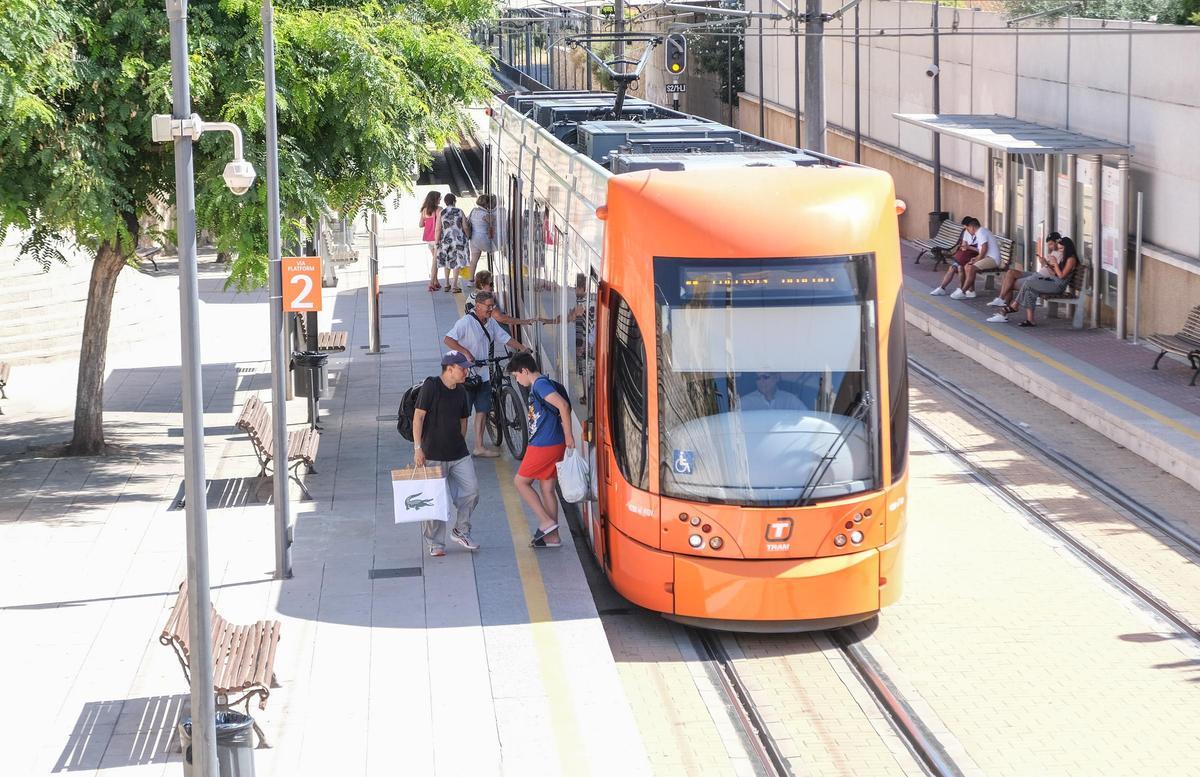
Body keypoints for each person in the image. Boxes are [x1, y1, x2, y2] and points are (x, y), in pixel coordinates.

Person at [443, 290, 532, 457]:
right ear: (478, 306)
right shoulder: (466, 322)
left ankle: (479, 447)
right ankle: (457, 450)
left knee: (482, 410)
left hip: (484, 374)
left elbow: (505, 338)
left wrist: (522, 348)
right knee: (463, 414)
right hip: (466, 376)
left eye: (493, 306)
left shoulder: (490, 323)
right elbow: (448, 339)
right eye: (488, 306)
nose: (491, 310)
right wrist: (465, 353)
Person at [412, 351, 480, 557]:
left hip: (459, 454)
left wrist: (459, 440)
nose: (466, 372)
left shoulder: (462, 391)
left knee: (472, 491)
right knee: (433, 500)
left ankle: (461, 530)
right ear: (449, 369)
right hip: (432, 455)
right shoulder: (431, 386)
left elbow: (463, 419)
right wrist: (418, 448)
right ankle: (435, 542)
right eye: (462, 368)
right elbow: (418, 417)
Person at [507, 352, 574, 548]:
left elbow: (562, 405)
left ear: (524, 370)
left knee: (520, 482)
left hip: (545, 444)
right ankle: (552, 537)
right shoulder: (542, 383)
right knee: (547, 489)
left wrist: (569, 435)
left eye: (516, 375)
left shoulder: (540, 385)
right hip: (553, 442)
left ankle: (546, 522)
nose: (517, 380)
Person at [989, 236, 1080, 327]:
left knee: (1029, 282)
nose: (1060, 251)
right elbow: (1056, 273)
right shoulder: (1065, 257)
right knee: (1030, 289)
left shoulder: (1071, 259)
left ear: (1068, 248)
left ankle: (1015, 305)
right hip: (1053, 281)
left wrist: (1055, 263)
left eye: (1062, 248)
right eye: (1059, 248)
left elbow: (1061, 276)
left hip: (1057, 285)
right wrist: (1048, 264)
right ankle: (1030, 320)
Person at [985, 233, 1061, 316]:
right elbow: (1047, 268)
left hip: (1042, 278)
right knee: (1010, 273)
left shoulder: (1061, 255)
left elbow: (1054, 274)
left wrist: (1046, 264)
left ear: (1057, 242)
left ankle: (1003, 312)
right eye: (1048, 244)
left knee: (1009, 283)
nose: (1049, 247)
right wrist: (1043, 263)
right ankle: (1001, 299)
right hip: (1038, 274)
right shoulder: (1054, 252)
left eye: (1051, 244)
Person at [929, 217, 1000, 299]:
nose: (967, 230)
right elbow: (982, 251)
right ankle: (970, 291)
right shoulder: (979, 232)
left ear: (972, 227)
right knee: (966, 266)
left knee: (970, 267)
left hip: (992, 259)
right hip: (986, 257)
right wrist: (976, 258)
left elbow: (984, 249)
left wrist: (976, 259)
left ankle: (963, 291)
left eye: (967, 228)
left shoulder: (981, 232)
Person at [466, 270, 537, 327]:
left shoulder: (473, 295)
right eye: (491, 284)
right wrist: (525, 321)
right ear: (482, 285)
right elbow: (501, 318)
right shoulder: (484, 299)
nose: (493, 287)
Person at [435, 193, 469, 293]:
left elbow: (438, 229)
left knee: (447, 261)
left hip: (446, 241)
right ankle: (454, 285)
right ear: (454, 201)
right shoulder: (459, 211)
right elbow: (465, 226)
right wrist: (468, 235)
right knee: (457, 261)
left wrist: (437, 242)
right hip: (458, 240)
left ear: (445, 202)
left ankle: (446, 284)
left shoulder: (442, 212)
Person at [465, 194, 498, 282]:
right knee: (498, 248)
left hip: (473, 239)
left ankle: (470, 280)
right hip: (483, 239)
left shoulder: (473, 211)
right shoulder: (484, 213)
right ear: (486, 204)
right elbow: (491, 220)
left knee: (474, 261)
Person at [740, 372, 805, 411]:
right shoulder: (744, 402)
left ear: (777, 377)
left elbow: (806, 419)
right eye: (758, 378)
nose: (761, 381)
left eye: (765, 377)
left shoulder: (790, 400)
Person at [419, 191, 442, 291]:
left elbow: (420, 224)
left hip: (428, 239)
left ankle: (436, 281)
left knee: (435, 260)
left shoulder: (424, 210)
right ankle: (431, 283)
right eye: (439, 198)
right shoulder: (439, 209)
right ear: (435, 199)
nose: (440, 199)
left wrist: (427, 223)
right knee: (435, 262)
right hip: (436, 238)